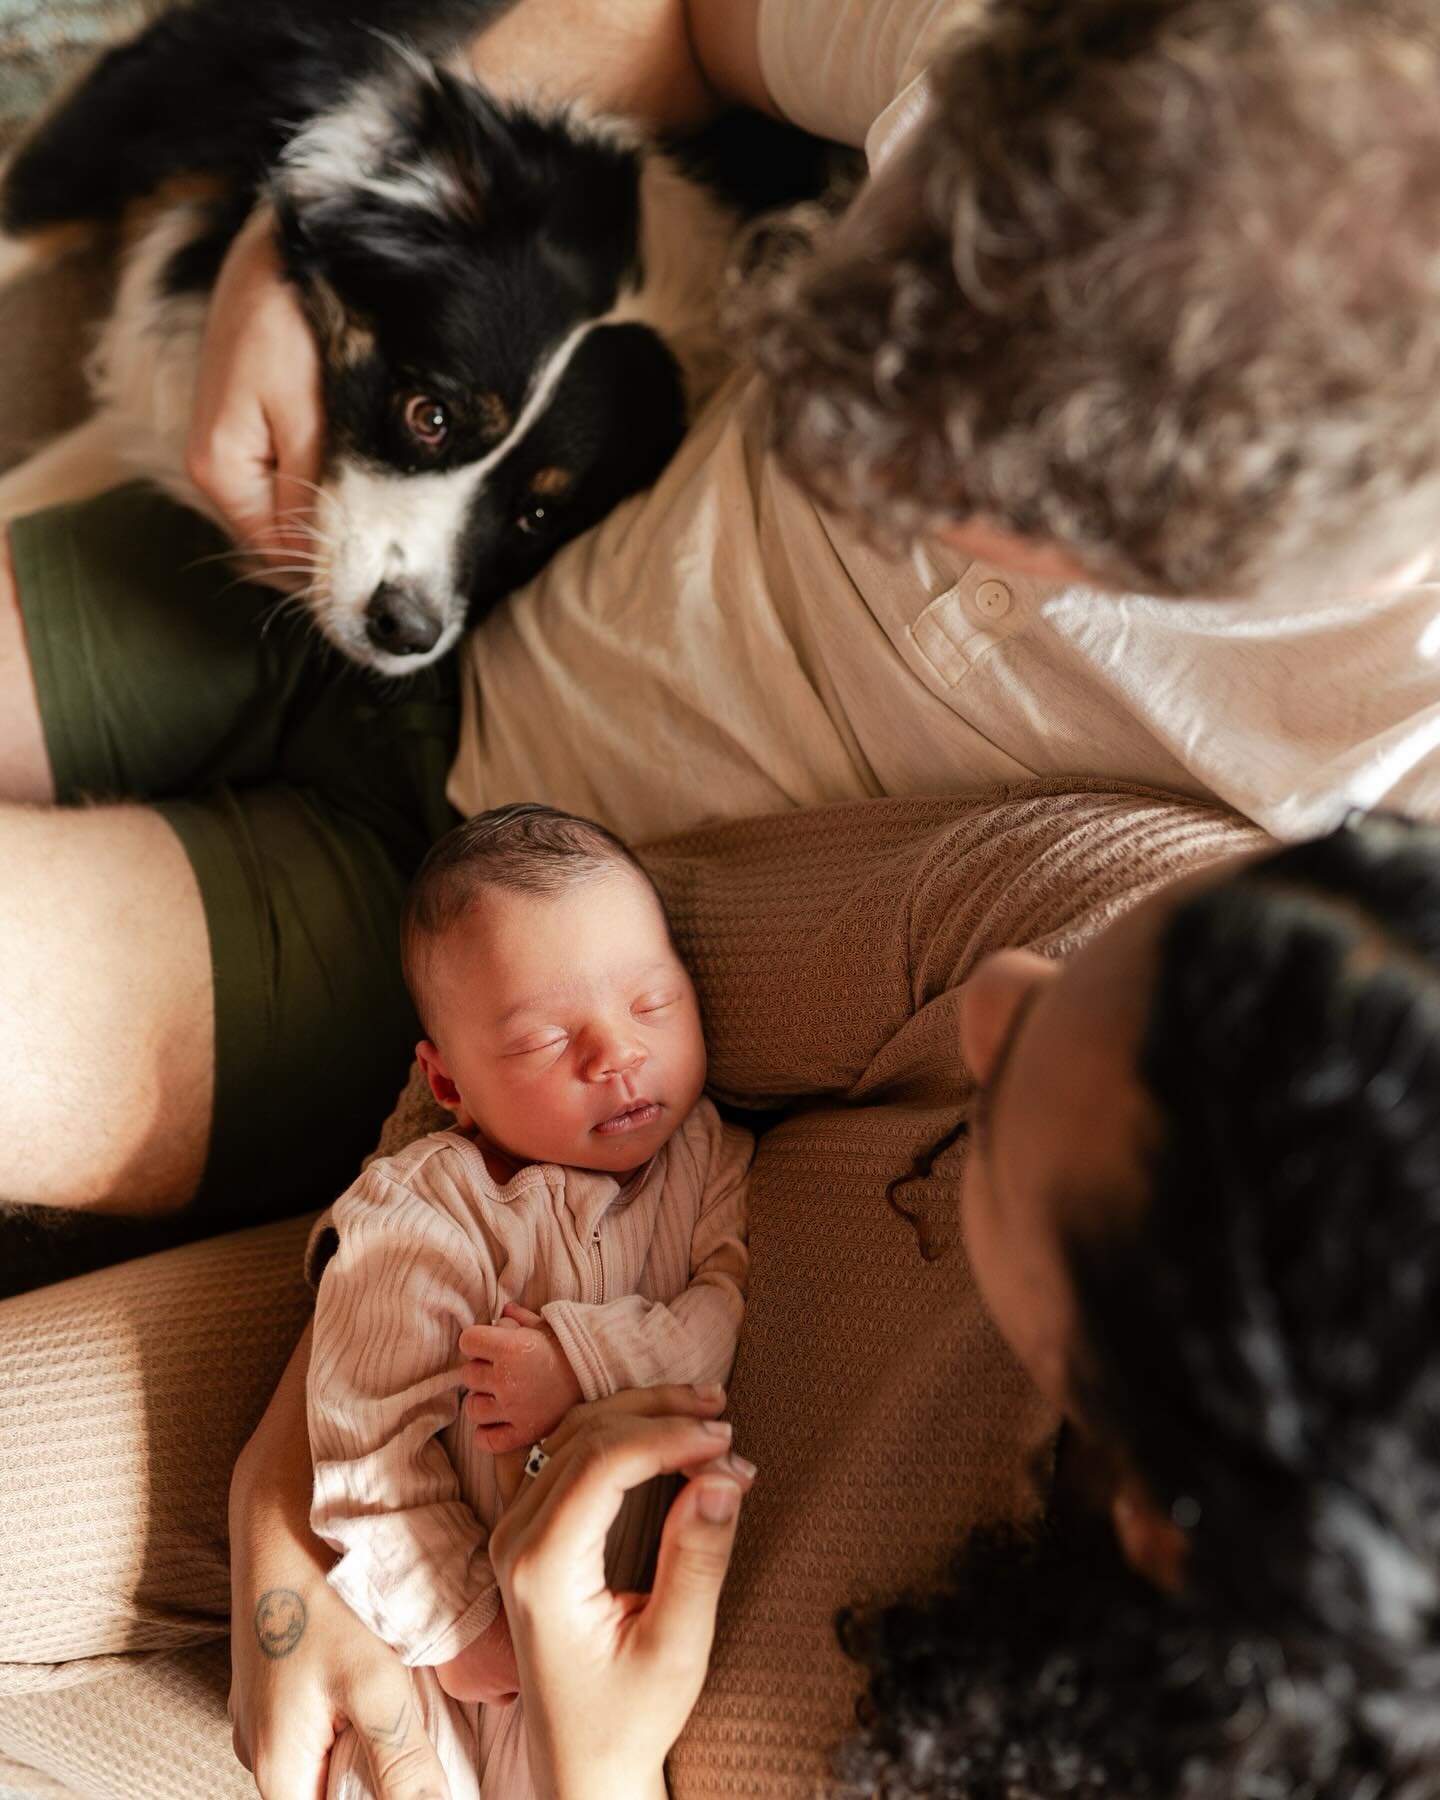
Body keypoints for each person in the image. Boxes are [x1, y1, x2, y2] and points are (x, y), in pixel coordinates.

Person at [5, 0, 1440, 1243]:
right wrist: (301, 234)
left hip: (514, 981)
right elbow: (682, 18)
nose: (852, 488)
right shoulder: (1128, 62)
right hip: (457, 573)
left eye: (942, 495)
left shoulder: (1407, 730)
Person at [483, 808, 1440, 1800]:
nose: (997, 986)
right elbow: (504, 963)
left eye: (1002, 1104)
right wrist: (332, 1478)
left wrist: (592, 1768)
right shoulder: (1221, 928)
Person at [309, 803, 750, 1799]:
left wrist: (584, 1365)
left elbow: (721, 1314)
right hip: (455, 1660)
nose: (615, 1057)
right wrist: (457, 1621)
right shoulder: (426, 1209)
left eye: (652, 1003)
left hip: (630, 1645)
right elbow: (365, 1435)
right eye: (548, 1038)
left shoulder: (705, 1159)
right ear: (450, 1083)